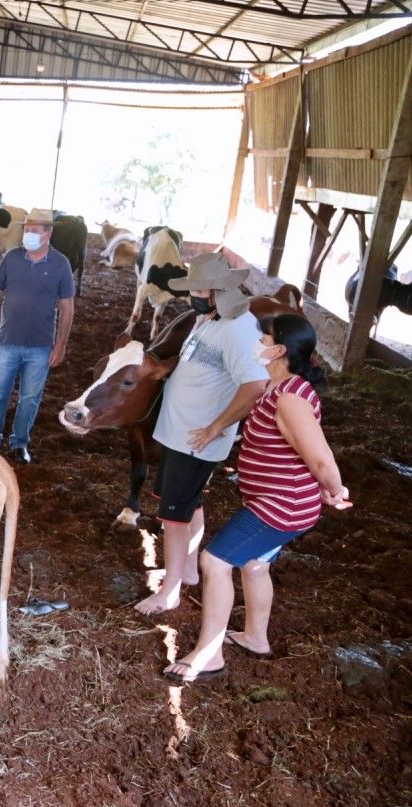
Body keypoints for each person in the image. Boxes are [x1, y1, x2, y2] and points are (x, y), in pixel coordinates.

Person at [164, 314, 350, 683]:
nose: (258, 343)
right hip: (279, 500)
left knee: (215, 562)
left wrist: (334, 488)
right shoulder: (278, 386)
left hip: (281, 505)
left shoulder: (290, 399)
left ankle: (209, 654)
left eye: (264, 338)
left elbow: (319, 457)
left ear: (280, 350)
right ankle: (255, 637)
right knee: (254, 564)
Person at [135, 252, 269, 615]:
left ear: (215, 290)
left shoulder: (239, 329)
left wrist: (216, 427)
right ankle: (188, 571)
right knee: (189, 503)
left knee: (173, 516)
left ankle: (170, 590)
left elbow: (256, 384)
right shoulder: (208, 318)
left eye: (196, 288)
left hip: (197, 439)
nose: (190, 294)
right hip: (181, 434)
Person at [0, 208, 76, 464]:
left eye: (34, 230)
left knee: (30, 399)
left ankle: (20, 442)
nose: (28, 234)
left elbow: (67, 306)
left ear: (48, 234)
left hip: (41, 345)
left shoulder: (61, 264)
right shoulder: (11, 257)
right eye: (26, 229)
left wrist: (61, 345)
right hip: (7, 339)